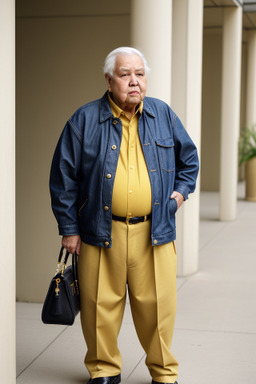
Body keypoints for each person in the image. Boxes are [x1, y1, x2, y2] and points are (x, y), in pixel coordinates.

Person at [50, 47, 199, 384]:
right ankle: (104, 370)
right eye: (125, 74)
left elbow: (189, 161)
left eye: (140, 74)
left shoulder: (163, 115)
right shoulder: (84, 119)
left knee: (158, 309)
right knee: (99, 306)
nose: (134, 81)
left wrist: (176, 198)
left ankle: (163, 373)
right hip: (101, 232)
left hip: (155, 231)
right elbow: (63, 178)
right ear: (109, 80)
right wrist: (69, 228)